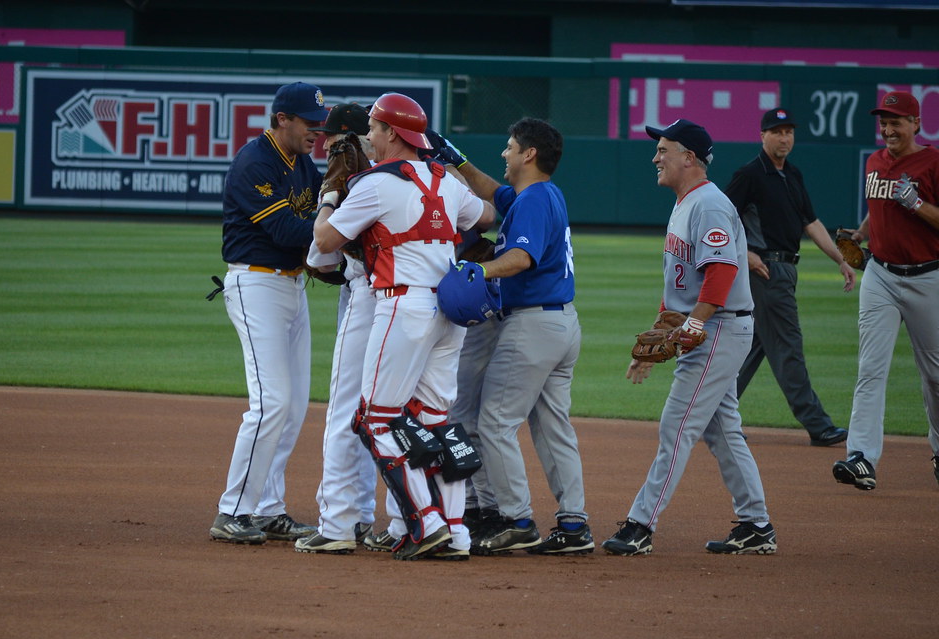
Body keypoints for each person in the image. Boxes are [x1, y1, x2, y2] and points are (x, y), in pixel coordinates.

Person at [313, 92, 496, 560]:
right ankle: (456, 533)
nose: (370, 137)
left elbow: (326, 240)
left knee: (375, 419)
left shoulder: (374, 183)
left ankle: (426, 522)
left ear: (392, 132)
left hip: (402, 306)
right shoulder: (445, 180)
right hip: (449, 312)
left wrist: (330, 197)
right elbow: (488, 215)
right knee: (435, 422)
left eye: (374, 129)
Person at [601, 119, 776, 556]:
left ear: (689, 158)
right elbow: (679, 284)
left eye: (663, 150)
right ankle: (756, 525)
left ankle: (641, 525)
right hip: (711, 326)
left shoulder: (710, 205)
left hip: (717, 327)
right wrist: (660, 334)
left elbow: (721, 271)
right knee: (722, 430)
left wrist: (694, 325)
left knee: (676, 425)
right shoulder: (686, 203)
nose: (655, 158)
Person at [452, 118, 593, 556]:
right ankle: (574, 524)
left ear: (529, 154)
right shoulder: (544, 193)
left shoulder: (533, 200)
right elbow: (493, 191)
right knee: (553, 428)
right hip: (561, 324)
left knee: (494, 423)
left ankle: (517, 521)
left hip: (532, 326)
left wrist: (478, 270)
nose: (505, 153)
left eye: (510, 146)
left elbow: (519, 258)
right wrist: (458, 161)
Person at [208, 81, 327, 545]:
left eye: (320, 123)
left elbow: (317, 222)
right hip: (256, 285)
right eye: (309, 122)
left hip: (292, 286)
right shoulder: (254, 162)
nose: (317, 131)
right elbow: (286, 229)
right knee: (272, 402)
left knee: (292, 408)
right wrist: (343, 230)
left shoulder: (303, 164)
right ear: (282, 119)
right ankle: (232, 510)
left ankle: (268, 508)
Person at [724, 107, 855, 447]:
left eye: (789, 132)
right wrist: (745, 254)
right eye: (777, 132)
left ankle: (712, 414)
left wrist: (840, 259)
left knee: (752, 347)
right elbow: (720, 219)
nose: (784, 138)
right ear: (762, 135)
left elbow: (811, 222)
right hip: (766, 272)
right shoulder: (749, 174)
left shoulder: (793, 174)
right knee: (788, 347)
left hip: (784, 270)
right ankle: (818, 424)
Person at [832, 91, 939, 491]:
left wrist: (917, 204)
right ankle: (861, 457)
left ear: (916, 123)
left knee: (935, 376)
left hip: (928, 277)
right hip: (880, 276)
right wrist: (861, 233)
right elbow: (878, 205)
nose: (888, 129)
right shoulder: (875, 162)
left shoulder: (934, 163)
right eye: (884, 122)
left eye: (896, 122)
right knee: (871, 369)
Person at [293, 103, 381, 554]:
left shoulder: (358, 185)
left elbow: (320, 255)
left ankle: (338, 523)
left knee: (346, 411)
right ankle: (375, 517)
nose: (325, 143)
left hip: (369, 297)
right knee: (386, 412)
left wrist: (330, 197)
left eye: (333, 136)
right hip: (419, 304)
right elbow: (481, 216)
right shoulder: (423, 176)